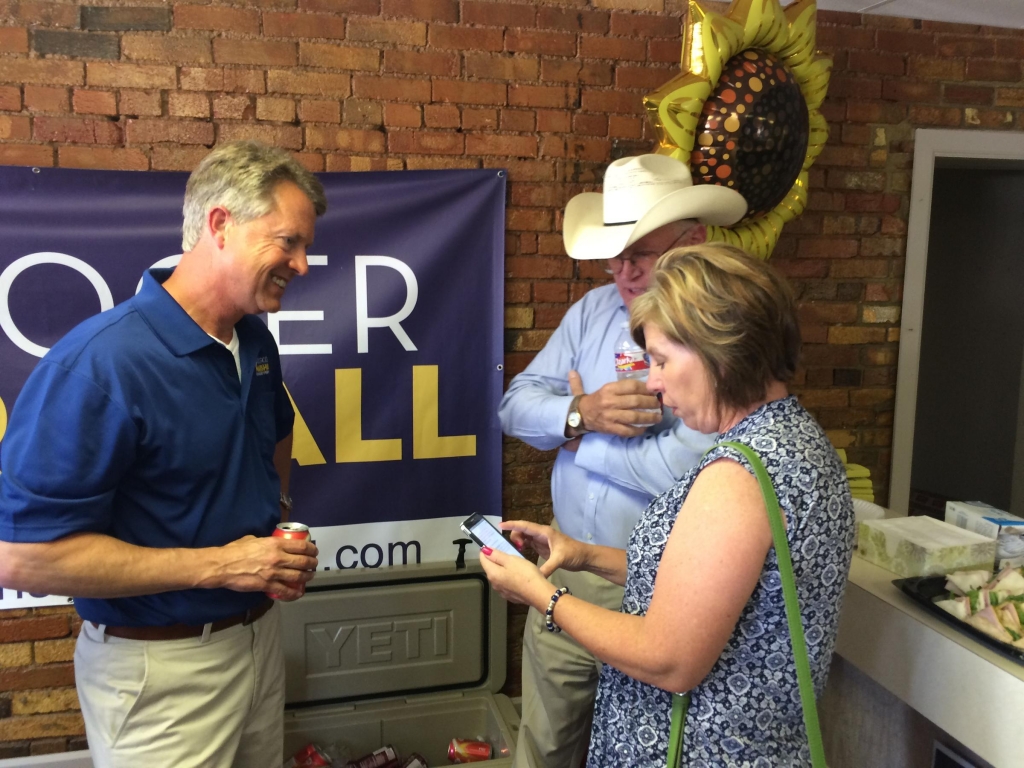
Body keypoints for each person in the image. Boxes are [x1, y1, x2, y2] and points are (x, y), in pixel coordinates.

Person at [0, 141, 327, 768]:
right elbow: (22, 558)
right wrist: (221, 566)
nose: (303, 263)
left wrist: (275, 518)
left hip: (257, 643)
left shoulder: (254, 340)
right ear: (220, 224)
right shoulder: (100, 363)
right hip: (159, 669)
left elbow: (276, 432)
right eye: (288, 242)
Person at [485, 243, 856, 767]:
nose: (653, 381)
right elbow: (703, 583)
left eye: (660, 360)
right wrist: (584, 555)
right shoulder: (793, 437)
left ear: (719, 350)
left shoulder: (737, 475)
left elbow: (668, 659)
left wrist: (540, 594)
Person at [498, 154, 747, 768]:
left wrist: (586, 440)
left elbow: (685, 470)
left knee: (644, 752)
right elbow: (515, 408)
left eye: (639, 251)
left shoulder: (722, 337)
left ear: (694, 240)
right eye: (614, 252)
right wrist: (581, 412)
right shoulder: (591, 311)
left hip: (667, 592)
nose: (621, 269)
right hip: (570, 567)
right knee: (545, 750)